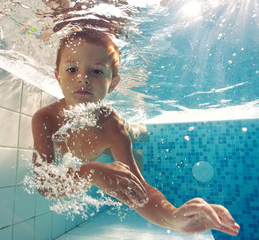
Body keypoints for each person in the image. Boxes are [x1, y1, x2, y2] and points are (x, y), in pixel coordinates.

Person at [31, 29, 240, 236]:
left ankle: (139, 131)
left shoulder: (112, 127)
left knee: (131, 135)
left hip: (115, 136)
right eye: (71, 69)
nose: (83, 78)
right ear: (58, 76)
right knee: (123, 164)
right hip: (98, 153)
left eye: (96, 71)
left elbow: (141, 192)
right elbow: (45, 185)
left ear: (112, 83)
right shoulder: (45, 119)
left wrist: (175, 218)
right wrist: (92, 172)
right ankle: (133, 148)